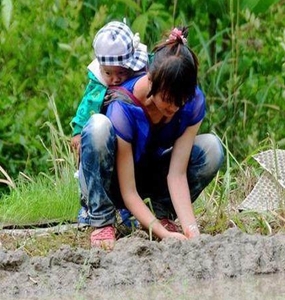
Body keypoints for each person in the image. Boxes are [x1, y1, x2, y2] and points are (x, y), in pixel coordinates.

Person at [78, 26, 224, 250]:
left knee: (212, 148)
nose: (174, 108)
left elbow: (177, 174)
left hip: (153, 172)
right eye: (168, 99)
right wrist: (163, 234)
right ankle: (101, 219)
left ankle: (163, 213)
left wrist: (191, 230)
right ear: (151, 80)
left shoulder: (191, 101)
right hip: (118, 181)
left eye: (181, 101)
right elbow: (129, 191)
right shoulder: (122, 107)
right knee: (98, 127)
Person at [70, 20, 148, 154]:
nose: (115, 79)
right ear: (101, 68)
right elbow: (87, 106)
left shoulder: (140, 73)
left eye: (121, 72)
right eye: (108, 73)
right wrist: (78, 131)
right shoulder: (98, 85)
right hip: (107, 135)